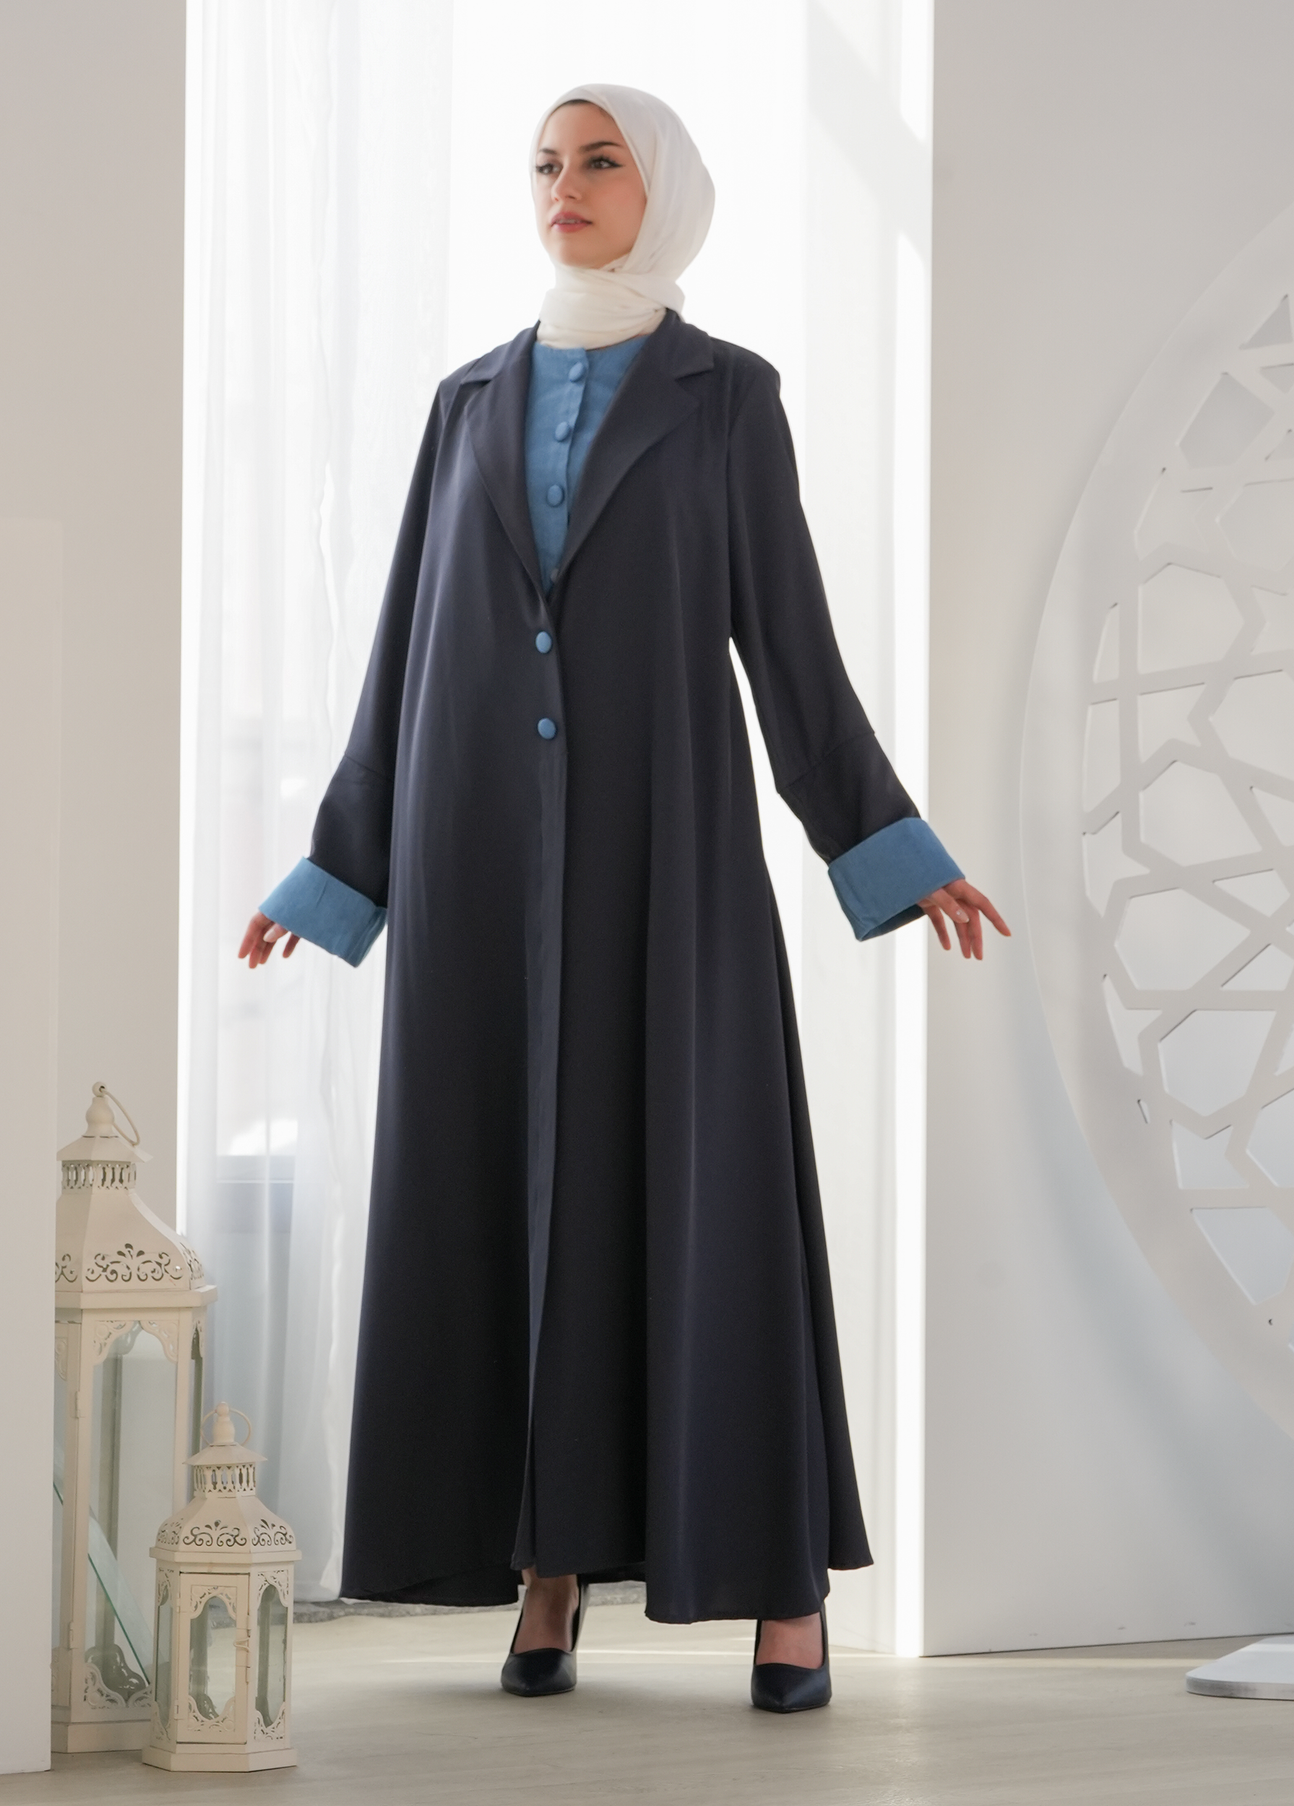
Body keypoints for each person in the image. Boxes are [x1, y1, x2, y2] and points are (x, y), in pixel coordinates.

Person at [240, 83, 1008, 1713]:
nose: (565, 186)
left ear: (663, 189)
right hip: (476, 867)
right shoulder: (466, 401)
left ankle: (782, 1588)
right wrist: (342, 864)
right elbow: (405, 644)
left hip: (666, 860)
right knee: (502, 1197)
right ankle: (547, 1564)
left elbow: (790, 648)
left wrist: (889, 846)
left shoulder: (728, 398)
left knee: (700, 1199)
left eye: (600, 161)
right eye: (546, 163)